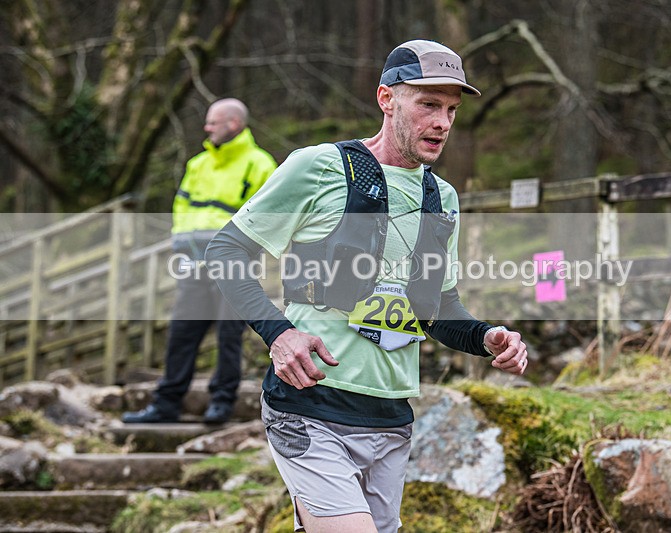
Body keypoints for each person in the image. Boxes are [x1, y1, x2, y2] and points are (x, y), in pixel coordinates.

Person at [205, 41, 528, 532]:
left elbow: (438, 308)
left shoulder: (442, 197)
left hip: (391, 418)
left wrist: (488, 339)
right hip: (310, 407)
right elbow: (225, 252)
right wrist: (279, 333)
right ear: (386, 99)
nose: (442, 122)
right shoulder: (319, 167)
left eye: (451, 110)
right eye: (428, 105)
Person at [123, 98, 278, 424]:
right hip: (195, 264)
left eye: (212, 122)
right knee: (182, 333)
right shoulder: (198, 164)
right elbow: (182, 209)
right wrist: (182, 245)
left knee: (228, 335)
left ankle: (222, 403)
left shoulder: (259, 163)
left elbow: (265, 216)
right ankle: (165, 404)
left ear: (233, 124)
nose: (206, 128)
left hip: (235, 266)